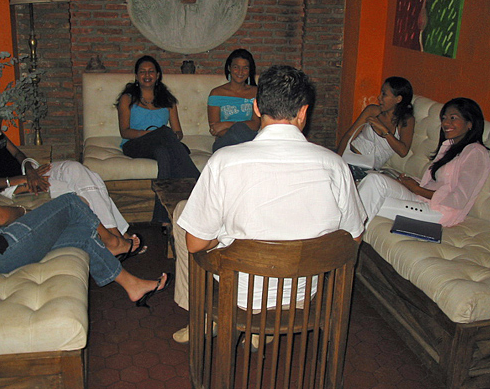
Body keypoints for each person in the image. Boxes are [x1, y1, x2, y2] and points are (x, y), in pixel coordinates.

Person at [171, 65, 367, 345]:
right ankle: (268, 319)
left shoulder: (224, 162)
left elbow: (195, 244)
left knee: (184, 214)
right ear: (303, 112)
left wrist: (222, 237)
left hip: (240, 289)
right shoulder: (335, 165)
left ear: (256, 108)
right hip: (303, 289)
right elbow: (354, 237)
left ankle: (204, 314)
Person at [0, 113, 171, 307]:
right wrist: (24, 213)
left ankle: (133, 286)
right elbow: (0, 216)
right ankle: (115, 243)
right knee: (72, 202)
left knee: (81, 231)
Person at [0, 81, 146, 261]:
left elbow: (17, 153)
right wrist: (21, 180)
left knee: (79, 170)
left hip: (29, 172)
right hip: (11, 186)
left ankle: (116, 236)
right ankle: (116, 237)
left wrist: (29, 167)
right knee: (74, 190)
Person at [358, 97, 490, 227]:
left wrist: (416, 189)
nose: (445, 123)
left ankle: (348, 240)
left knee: (366, 202)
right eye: (444, 118)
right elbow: (437, 184)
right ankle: (347, 238)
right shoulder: (449, 146)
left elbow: (458, 200)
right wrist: (409, 183)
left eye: (453, 118)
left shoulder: (475, 152)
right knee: (374, 180)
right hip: (422, 198)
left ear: (470, 123)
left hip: (439, 212)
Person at [116, 55, 200, 224]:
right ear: (136, 76)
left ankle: (160, 219)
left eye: (151, 72)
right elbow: (124, 132)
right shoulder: (128, 98)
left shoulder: (167, 100)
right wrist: (151, 135)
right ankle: (199, 184)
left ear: (158, 75)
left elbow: (178, 132)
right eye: (142, 72)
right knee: (164, 133)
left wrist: (168, 137)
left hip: (161, 144)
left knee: (164, 153)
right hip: (135, 144)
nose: (147, 75)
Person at [337, 77, 415, 180]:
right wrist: (337, 160)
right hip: (349, 157)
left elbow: (403, 151)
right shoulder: (372, 110)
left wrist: (384, 129)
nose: (379, 97)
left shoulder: (406, 120)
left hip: (367, 168)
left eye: (384, 94)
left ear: (398, 99)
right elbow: (349, 135)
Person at [208, 48, 261, 152]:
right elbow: (215, 129)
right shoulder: (216, 93)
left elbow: (255, 125)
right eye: (236, 67)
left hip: (248, 142)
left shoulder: (256, 92)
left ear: (250, 70)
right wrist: (238, 131)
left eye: (245, 68)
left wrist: (227, 124)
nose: (240, 72)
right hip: (226, 142)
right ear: (229, 68)